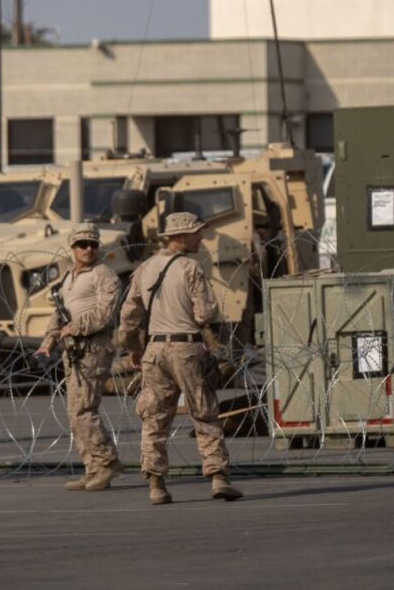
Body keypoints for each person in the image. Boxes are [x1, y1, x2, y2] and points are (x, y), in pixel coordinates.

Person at [118, 211, 242, 505]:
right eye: (196, 233)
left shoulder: (145, 268)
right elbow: (205, 313)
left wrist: (133, 347)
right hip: (186, 347)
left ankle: (156, 485)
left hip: (154, 350)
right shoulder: (190, 267)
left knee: (155, 418)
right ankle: (218, 477)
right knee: (204, 412)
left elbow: (128, 315)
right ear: (182, 236)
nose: (201, 238)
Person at [36, 223, 124, 491]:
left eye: (93, 244)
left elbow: (106, 313)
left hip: (94, 347)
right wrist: (48, 343)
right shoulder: (68, 277)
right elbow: (60, 313)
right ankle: (92, 467)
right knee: (76, 411)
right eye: (82, 244)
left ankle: (107, 461)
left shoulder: (103, 274)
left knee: (84, 408)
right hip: (73, 349)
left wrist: (76, 327)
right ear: (72, 247)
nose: (88, 249)